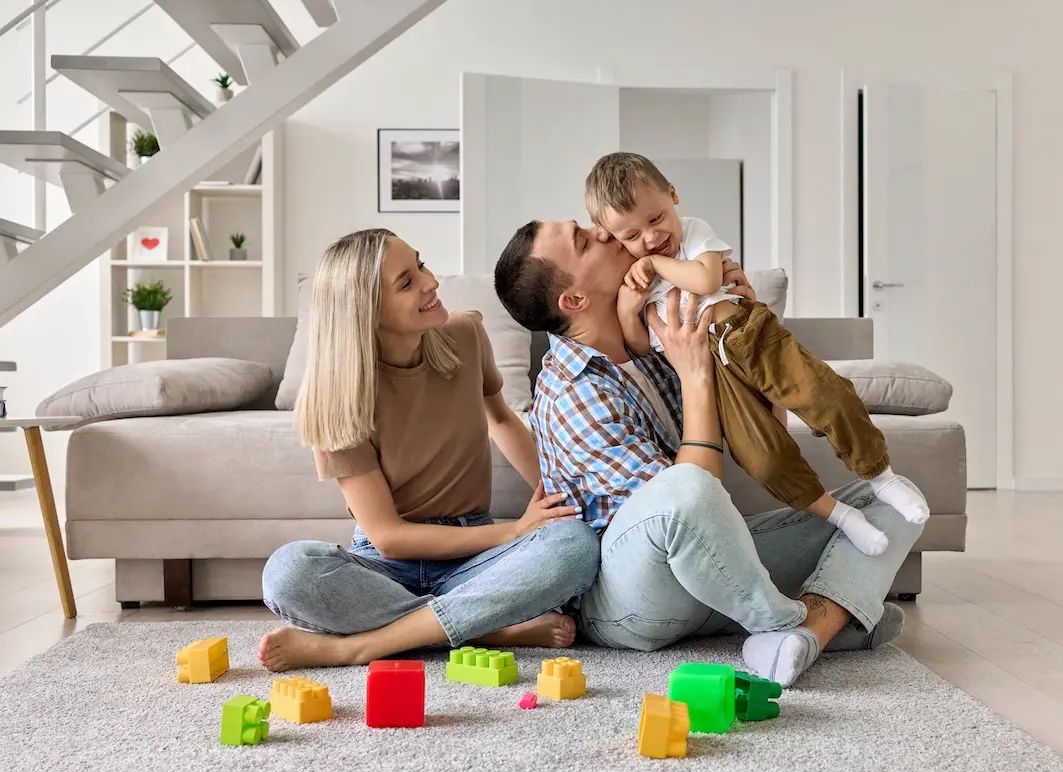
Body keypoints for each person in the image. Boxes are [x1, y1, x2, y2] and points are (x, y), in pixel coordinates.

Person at [493, 219, 925, 687]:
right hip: (627, 600)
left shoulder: (656, 335)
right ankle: (795, 620)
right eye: (582, 240)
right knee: (685, 490)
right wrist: (696, 374)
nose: (601, 231)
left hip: (708, 570)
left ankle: (808, 632)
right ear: (573, 301)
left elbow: (761, 439)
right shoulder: (571, 393)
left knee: (893, 501)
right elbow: (692, 499)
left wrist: (749, 334)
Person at [257, 228, 599, 672]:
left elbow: (501, 419)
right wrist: (514, 532)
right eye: (406, 282)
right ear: (366, 311)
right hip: (386, 565)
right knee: (287, 572)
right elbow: (390, 537)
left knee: (573, 544)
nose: (430, 281)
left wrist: (557, 499)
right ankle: (484, 627)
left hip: (473, 555)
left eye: (420, 264)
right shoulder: (336, 399)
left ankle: (360, 646)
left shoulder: (466, 335)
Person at [583, 152, 928, 556]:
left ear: (673, 195)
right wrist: (629, 306)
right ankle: (840, 516)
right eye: (631, 235)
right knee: (761, 457)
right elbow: (640, 346)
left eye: (656, 219)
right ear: (611, 235)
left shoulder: (692, 236)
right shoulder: (631, 275)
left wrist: (657, 263)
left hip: (747, 334)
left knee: (826, 396)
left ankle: (881, 478)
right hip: (713, 372)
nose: (649, 237)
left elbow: (708, 277)